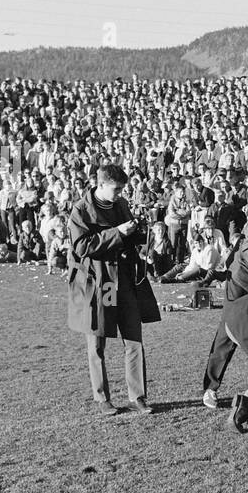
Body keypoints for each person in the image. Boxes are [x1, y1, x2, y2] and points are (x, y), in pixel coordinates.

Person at [67, 164, 161, 416]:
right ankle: (102, 398)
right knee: (97, 341)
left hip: (125, 280)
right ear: (101, 184)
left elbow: (127, 239)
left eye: (122, 189)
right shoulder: (81, 210)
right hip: (102, 282)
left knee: (134, 340)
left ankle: (137, 397)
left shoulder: (120, 205)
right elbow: (82, 247)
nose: (120, 193)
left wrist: (141, 231)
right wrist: (116, 232)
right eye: (116, 189)